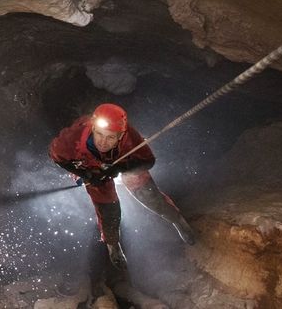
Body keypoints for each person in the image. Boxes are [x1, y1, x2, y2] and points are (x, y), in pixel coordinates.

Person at [49, 103, 195, 268]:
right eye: (99, 134)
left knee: (152, 198)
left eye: (111, 137)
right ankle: (113, 245)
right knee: (108, 211)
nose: (103, 142)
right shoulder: (73, 136)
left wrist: (119, 168)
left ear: (120, 135)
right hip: (92, 169)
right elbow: (57, 156)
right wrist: (86, 175)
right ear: (92, 128)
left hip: (125, 164)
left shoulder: (129, 137)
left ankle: (178, 221)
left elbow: (148, 161)